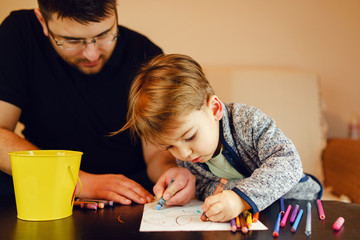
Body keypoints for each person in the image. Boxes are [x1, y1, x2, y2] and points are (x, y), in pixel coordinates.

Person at [0, 0, 195, 204]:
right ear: (42, 21)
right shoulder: (19, 33)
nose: (92, 54)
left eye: (104, 34)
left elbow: (157, 154)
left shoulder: (144, 53)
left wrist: (171, 172)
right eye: (72, 40)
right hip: (47, 189)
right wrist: (79, 183)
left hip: (132, 194)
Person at [117, 53, 323, 222]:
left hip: (301, 207)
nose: (183, 154)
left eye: (189, 137)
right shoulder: (190, 156)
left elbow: (288, 162)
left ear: (214, 108)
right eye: (170, 146)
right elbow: (205, 187)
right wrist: (205, 194)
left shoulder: (248, 121)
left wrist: (238, 199)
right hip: (257, 221)